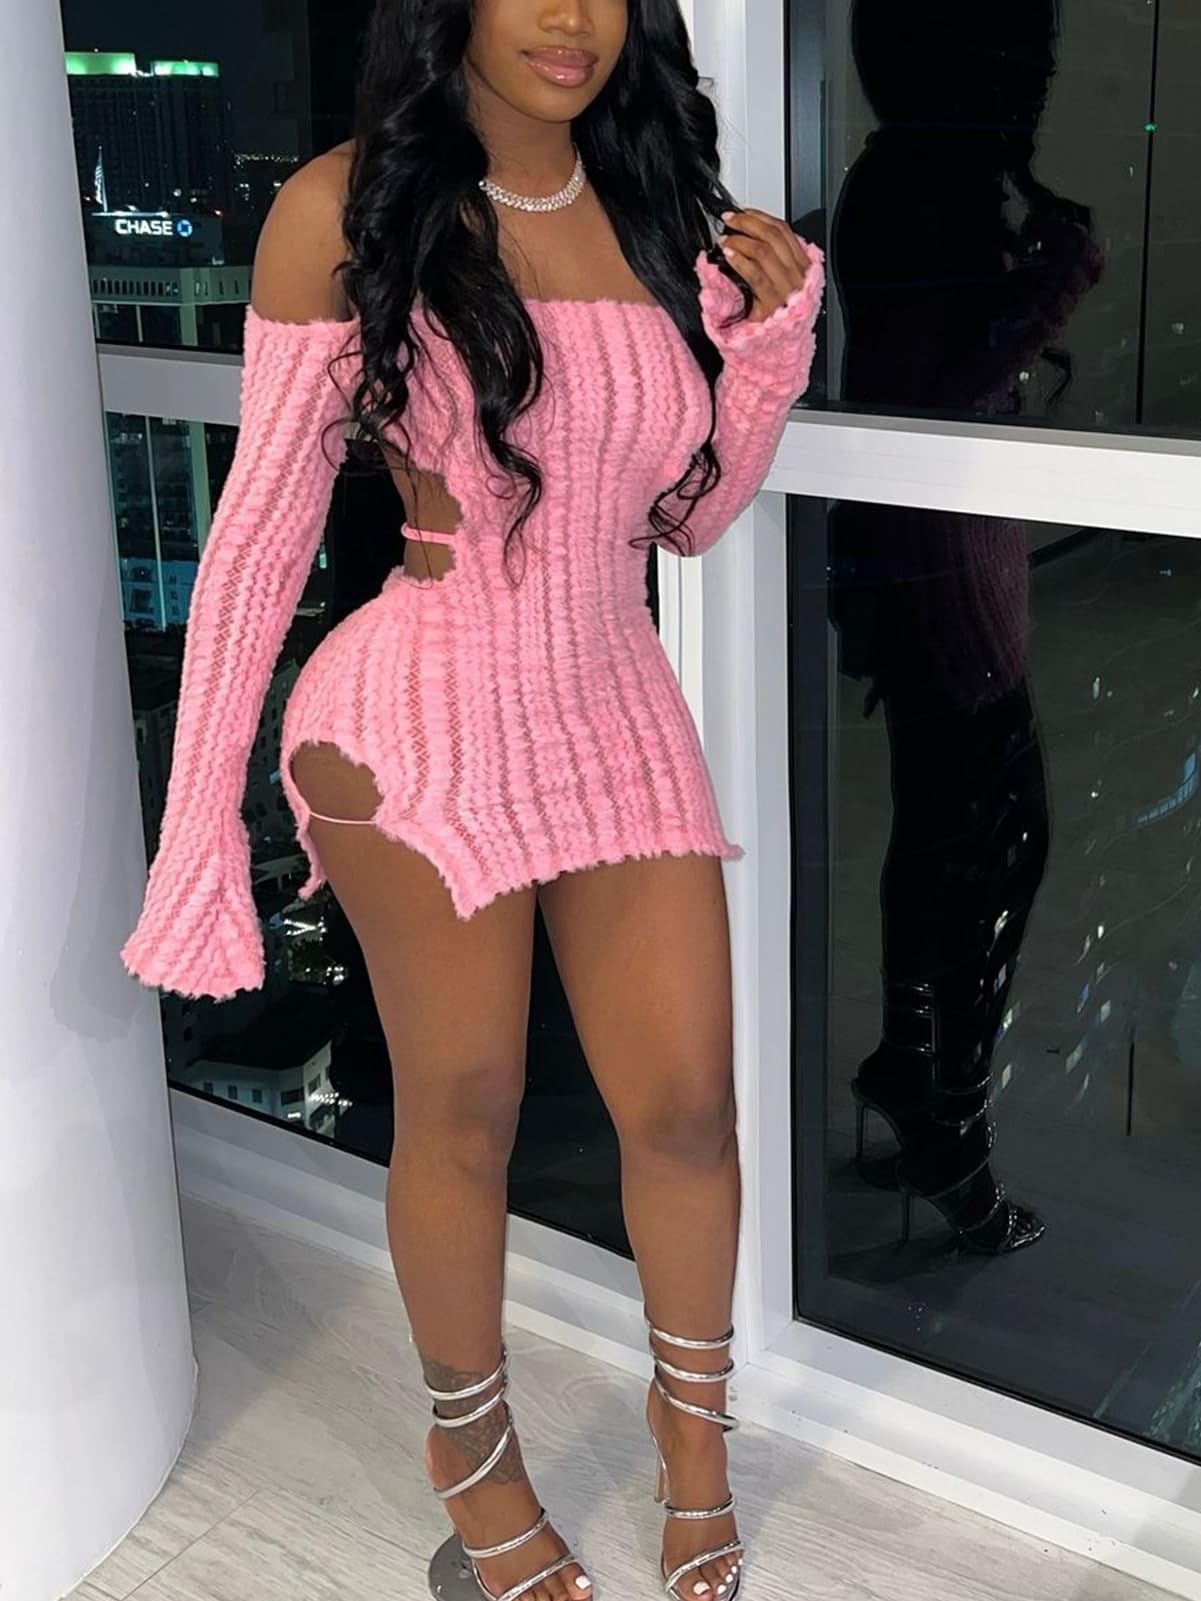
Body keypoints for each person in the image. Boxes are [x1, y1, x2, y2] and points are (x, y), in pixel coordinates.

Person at [119, 0, 823, 1595]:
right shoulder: (351, 203)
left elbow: (685, 520)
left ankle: (692, 1437)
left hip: (613, 699)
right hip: (414, 717)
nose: (572, 18)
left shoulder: (656, 208)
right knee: (465, 1108)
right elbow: (255, 542)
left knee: (687, 1109)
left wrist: (766, 357)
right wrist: (198, 837)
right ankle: (473, 1456)